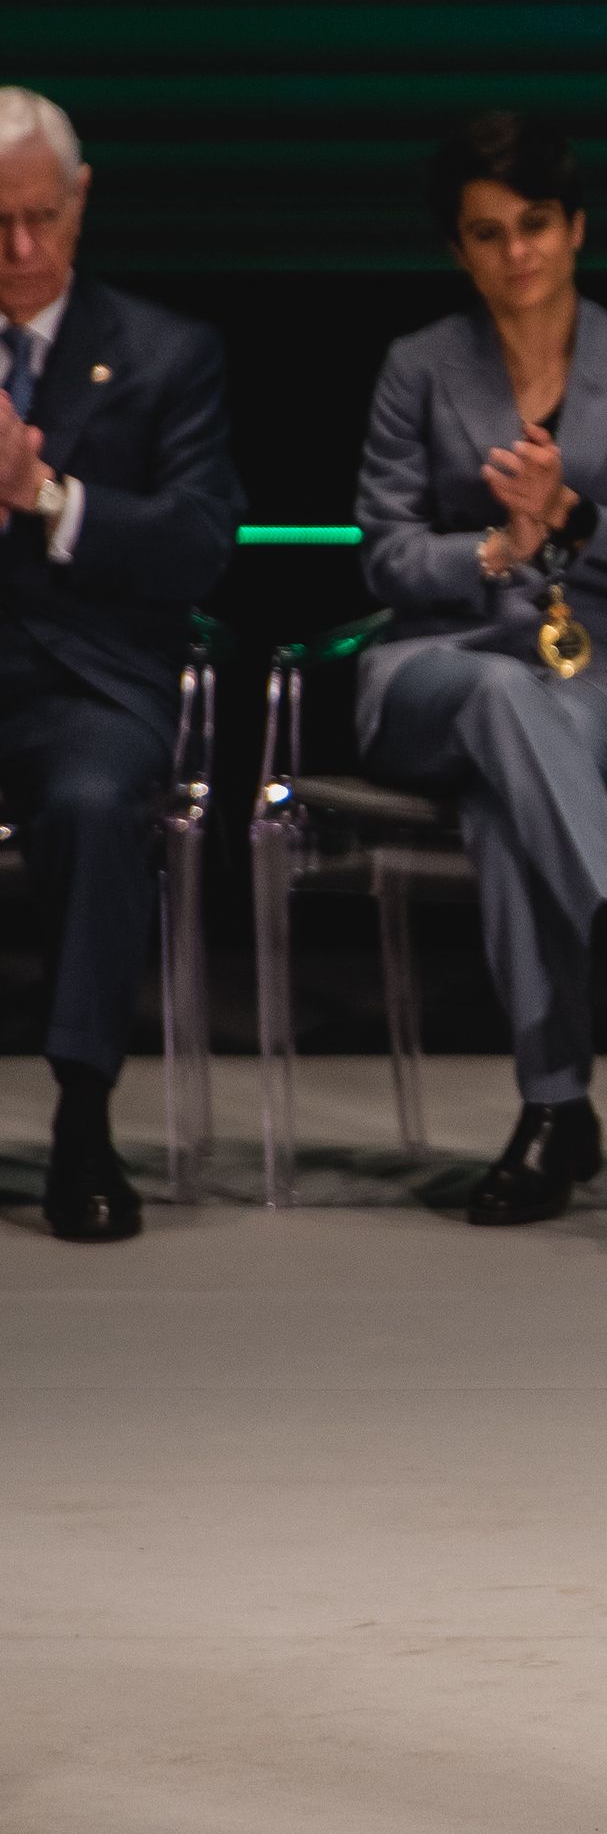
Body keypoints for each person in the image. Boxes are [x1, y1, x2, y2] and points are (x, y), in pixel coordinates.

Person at [353, 113, 607, 1226]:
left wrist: (568, 514)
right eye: (488, 233)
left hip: (603, 681)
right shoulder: (418, 366)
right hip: (435, 670)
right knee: (504, 696)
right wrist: (494, 550)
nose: (517, 253)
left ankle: (556, 1106)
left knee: (513, 798)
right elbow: (386, 551)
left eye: (536, 226)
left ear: (576, 228)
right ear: (460, 250)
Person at [0, 86, 247, 1243]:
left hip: (88, 683)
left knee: (97, 804)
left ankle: (85, 1116)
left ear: (81, 200)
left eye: (42, 217)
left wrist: (46, 497)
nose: (20, 249)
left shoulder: (164, 352)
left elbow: (199, 541)